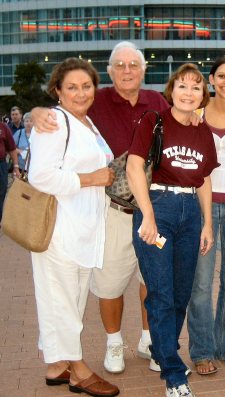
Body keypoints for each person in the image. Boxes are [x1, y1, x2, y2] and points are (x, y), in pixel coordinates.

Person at [32, 41, 169, 374]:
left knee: (152, 280)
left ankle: (148, 340)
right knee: (108, 283)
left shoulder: (157, 101)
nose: (126, 71)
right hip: (113, 212)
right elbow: (59, 117)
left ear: (143, 69)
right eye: (119, 65)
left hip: (153, 209)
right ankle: (113, 343)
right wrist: (38, 113)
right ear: (109, 73)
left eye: (133, 65)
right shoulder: (95, 102)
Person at [28, 57, 119, 397]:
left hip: (84, 226)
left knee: (67, 298)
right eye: (72, 87)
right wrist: (90, 178)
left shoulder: (86, 123)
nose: (80, 93)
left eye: (86, 86)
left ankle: (56, 365)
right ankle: (78, 370)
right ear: (57, 91)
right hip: (60, 228)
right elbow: (40, 175)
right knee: (63, 300)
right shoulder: (54, 122)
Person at [127, 63, 218, 397]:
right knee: (162, 291)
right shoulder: (154, 120)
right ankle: (174, 373)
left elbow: (205, 177)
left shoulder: (202, 130)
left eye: (196, 87)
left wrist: (207, 222)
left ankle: (162, 349)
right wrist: (147, 216)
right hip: (158, 207)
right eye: (182, 85)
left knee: (181, 292)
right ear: (171, 90)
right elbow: (134, 165)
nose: (189, 92)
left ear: (201, 95)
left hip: (190, 211)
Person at [187, 55, 225, 375]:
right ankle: (202, 350)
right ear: (211, 80)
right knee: (201, 283)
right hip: (204, 208)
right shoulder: (195, 115)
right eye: (220, 76)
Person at [0, 122, 20, 223]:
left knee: (1, 191)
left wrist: (16, 167)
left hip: (1, 165)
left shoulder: (3, 127)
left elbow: (12, 148)